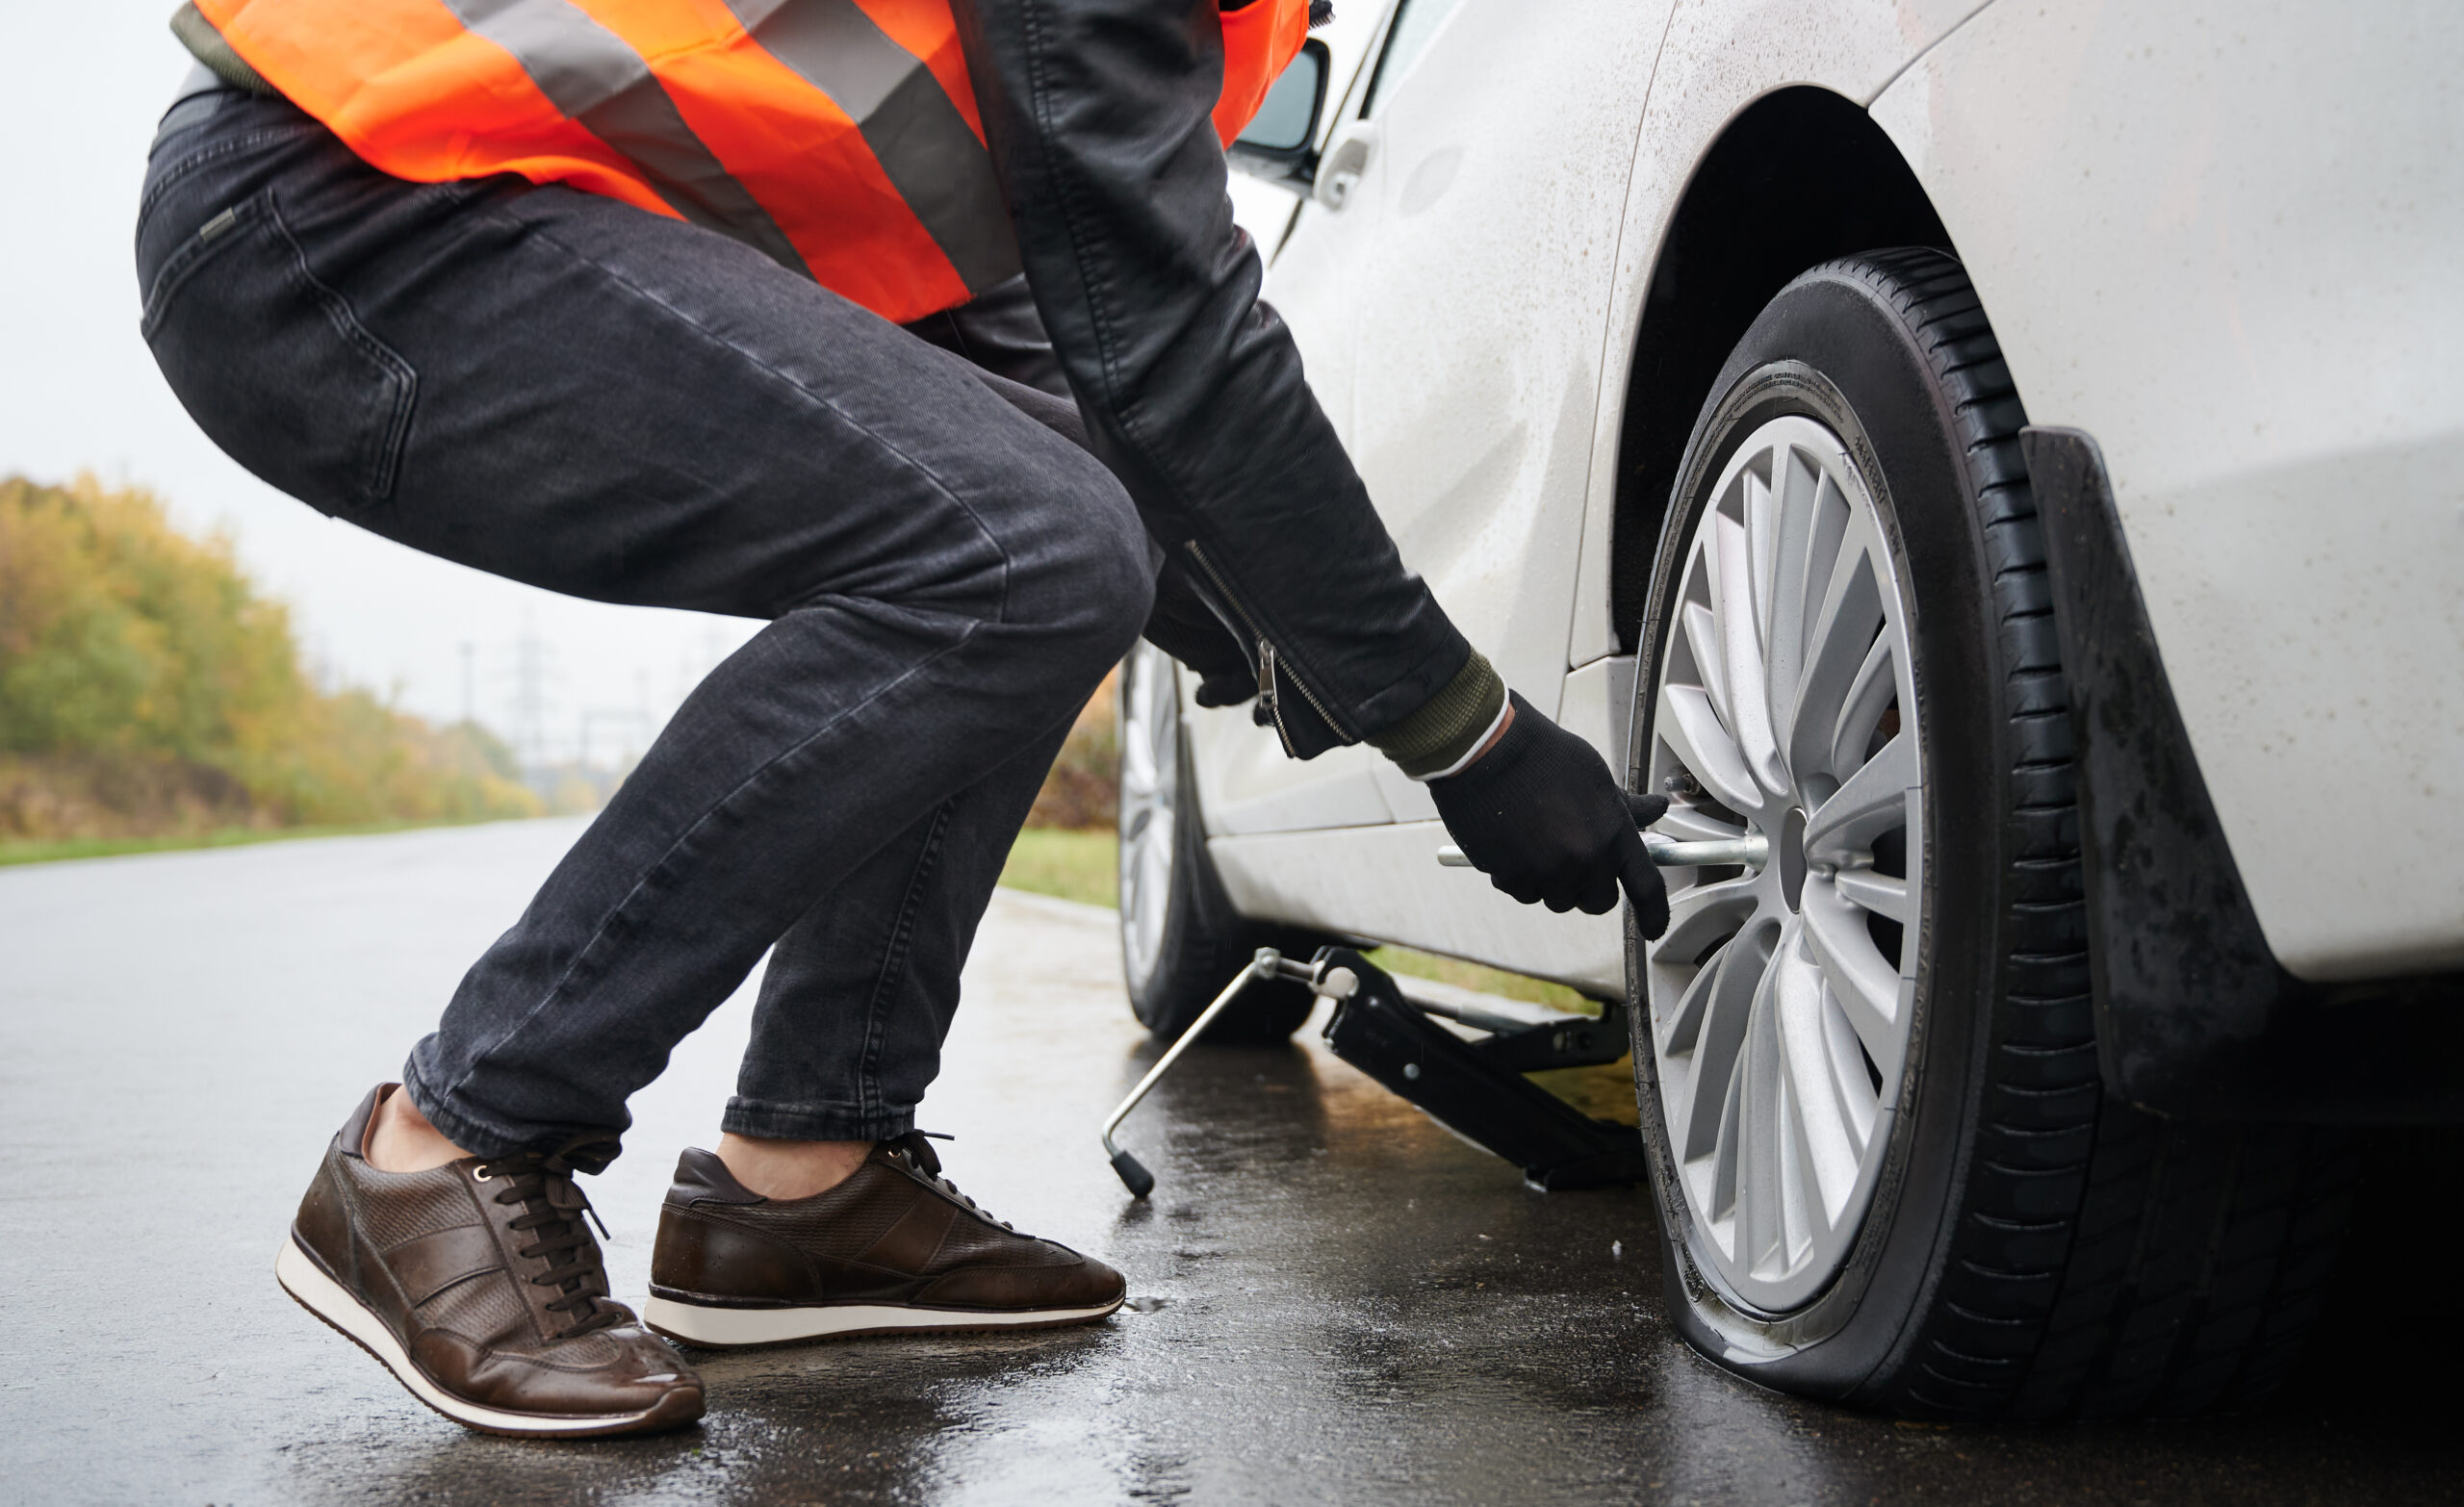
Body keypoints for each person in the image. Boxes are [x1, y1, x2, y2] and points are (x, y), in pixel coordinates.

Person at [136, 0, 1672, 1438]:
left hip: (439, 205)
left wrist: (1278, 644)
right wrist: (1464, 734)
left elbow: (1078, 398)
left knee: (1048, 534)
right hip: (335, 208)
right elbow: (1172, 350)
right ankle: (450, 1144)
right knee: (1031, 553)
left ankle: (804, 1182)